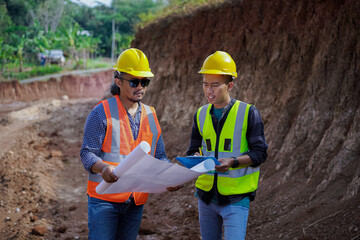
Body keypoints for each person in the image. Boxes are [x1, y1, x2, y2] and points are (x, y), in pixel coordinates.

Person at [80, 48, 181, 240]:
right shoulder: (101, 113)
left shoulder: (151, 115)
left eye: (145, 82)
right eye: (134, 82)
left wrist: (170, 175)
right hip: (104, 201)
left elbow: (159, 156)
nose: (140, 87)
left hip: (135, 202)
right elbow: (87, 153)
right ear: (118, 81)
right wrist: (104, 168)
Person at [186, 51, 268, 240]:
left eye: (215, 85)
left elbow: (260, 153)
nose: (209, 91)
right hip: (205, 198)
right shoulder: (200, 114)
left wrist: (232, 161)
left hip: (236, 199)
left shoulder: (248, 113)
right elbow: (192, 150)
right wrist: (195, 159)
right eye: (205, 84)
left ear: (229, 85)